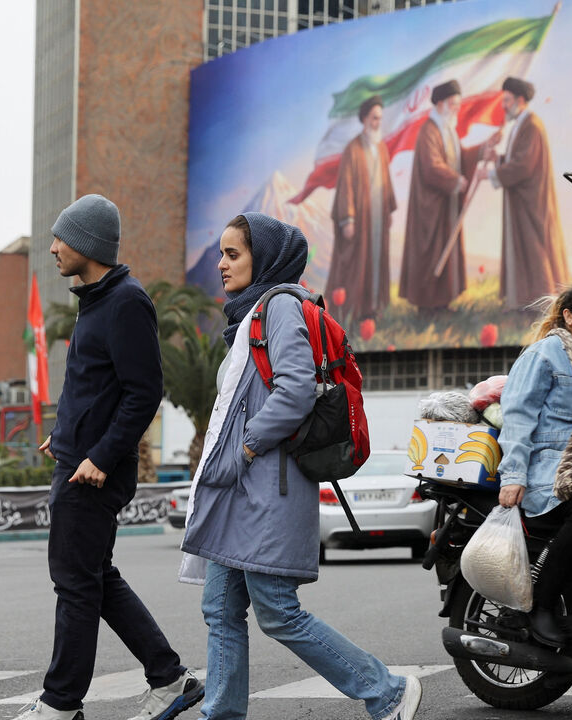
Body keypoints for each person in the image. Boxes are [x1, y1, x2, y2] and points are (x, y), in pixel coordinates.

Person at [179, 212, 422, 720]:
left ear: (263, 257)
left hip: (268, 485)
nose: (221, 265)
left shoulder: (281, 306)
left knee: (277, 612)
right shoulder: (249, 315)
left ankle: (387, 690)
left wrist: (247, 446)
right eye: (221, 254)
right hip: (239, 490)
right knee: (220, 610)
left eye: (233, 254)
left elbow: (293, 392)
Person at [15, 194, 203, 720]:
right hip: (78, 462)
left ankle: (60, 704)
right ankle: (170, 679)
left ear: (88, 244)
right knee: (96, 579)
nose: (52, 248)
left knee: (76, 586)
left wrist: (97, 456)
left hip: (92, 476)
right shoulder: (96, 300)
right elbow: (94, 386)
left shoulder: (126, 302)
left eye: (60, 239)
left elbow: (143, 392)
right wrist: (66, 433)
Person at [496, 283, 572, 645]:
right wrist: (513, 477)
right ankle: (539, 607)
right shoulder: (546, 354)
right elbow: (518, 414)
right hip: (546, 470)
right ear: (568, 315)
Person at [398, 79, 499, 310]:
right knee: (430, 254)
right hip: (430, 209)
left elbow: (460, 158)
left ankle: (442, 305)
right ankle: (427, 308)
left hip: (446, 206)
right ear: (441, 103)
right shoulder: (429, 131)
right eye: (453, 103)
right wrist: (455, 180)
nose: (456, 107)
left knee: (446, 253)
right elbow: (432, 166)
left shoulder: (447, 130)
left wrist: (484, 148)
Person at [480, 77, 569, 309]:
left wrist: (490, 175)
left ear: (520, 100)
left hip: (532, 202)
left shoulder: (532, 125)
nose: (503, 106)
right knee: (525, 251)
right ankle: (525, 303)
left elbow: (523, 165)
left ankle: (540, 306)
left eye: (507, 101)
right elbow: (517, 158)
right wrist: (497, 159)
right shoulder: (522, 123)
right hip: (522, 200)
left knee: (534, 251)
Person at [328, 94, 397, 320]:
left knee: (376, 261)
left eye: (380, 118)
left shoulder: (382, 148)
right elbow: (346, 185)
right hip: (360, 218)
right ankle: (354, 311)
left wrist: (388, 208)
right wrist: (348, 219)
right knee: (358, 263)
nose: (377, 123)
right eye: (374, 118)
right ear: (365, 119)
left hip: (378, 216)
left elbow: (386, 180)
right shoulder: (353, 149)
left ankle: (372, 307)